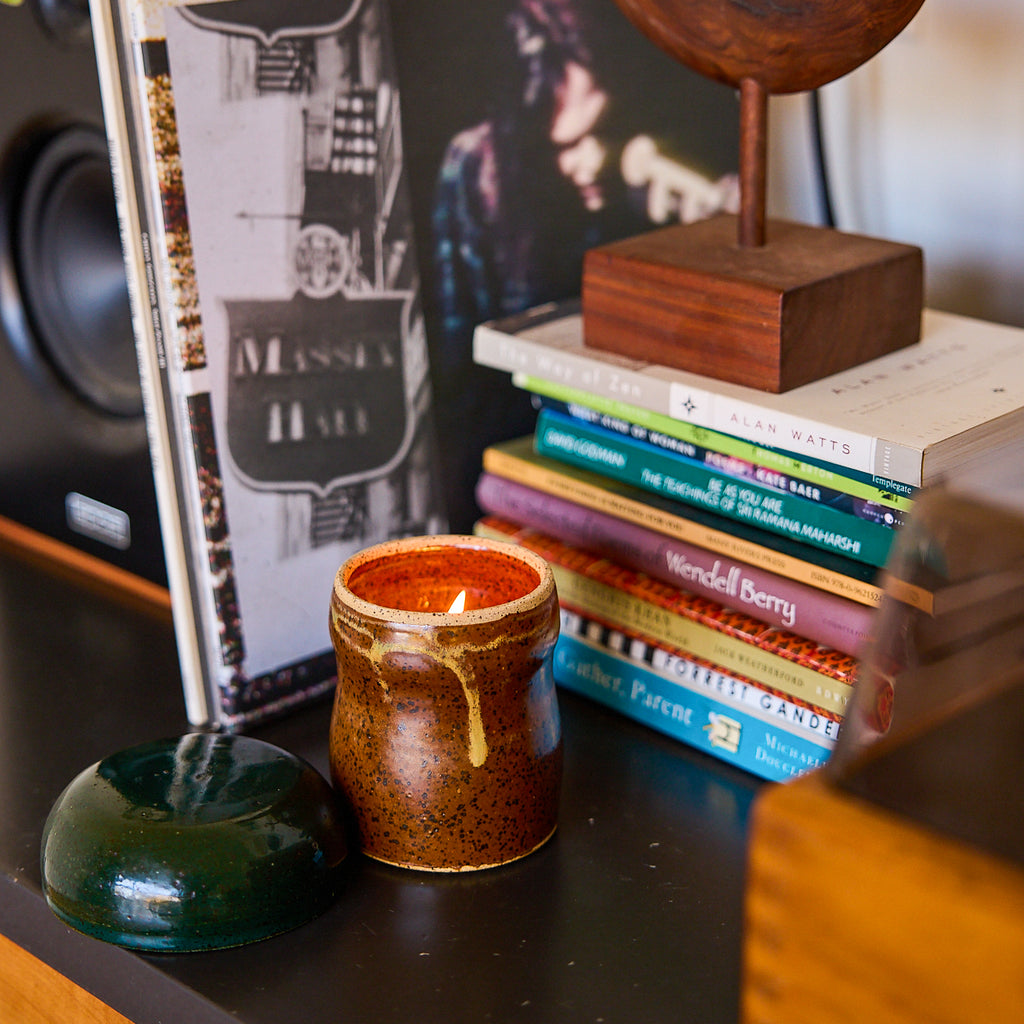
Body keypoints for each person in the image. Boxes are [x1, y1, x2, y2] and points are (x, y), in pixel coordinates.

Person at [429, 0, 735, 530]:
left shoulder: (664, 185)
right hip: (514, 465)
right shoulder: (478, 170)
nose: (591, 159)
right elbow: (460, 377)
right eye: (569, 143)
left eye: (606, 131)